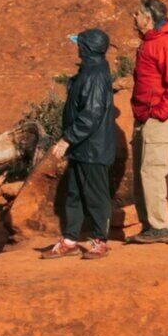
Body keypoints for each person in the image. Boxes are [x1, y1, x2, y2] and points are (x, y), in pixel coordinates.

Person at [46, 26, 122, 257]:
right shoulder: (90, 70)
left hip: (93, 149)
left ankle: (100, 242)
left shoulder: (96, 75)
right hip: (84, 148)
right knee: (75, 194)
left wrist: (67, 139)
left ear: (86, 47)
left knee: (96, 196)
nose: (77, 47)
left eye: (80, 43)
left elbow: (91, 114)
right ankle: (69, 240)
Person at [128, 0, 168, 246]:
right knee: (143, 173)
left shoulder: (165, 43)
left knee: (152, 172)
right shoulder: (149, 42)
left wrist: (160, 113)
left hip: (157, 119)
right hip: (145, 117)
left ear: (148, 18)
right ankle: (150, 225)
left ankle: (160, 227)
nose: (134, 17)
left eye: (137, 13)